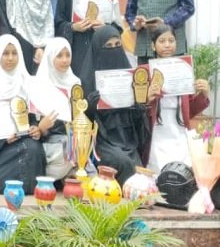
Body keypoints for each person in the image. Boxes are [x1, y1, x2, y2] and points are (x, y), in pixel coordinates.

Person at [0, 35, 46, 193]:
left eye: (14, 53)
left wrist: (35, 129)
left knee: (34, 149)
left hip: (21, 139)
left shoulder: (25, 82)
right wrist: (2, 139)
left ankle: (29, 187)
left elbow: (30, 118)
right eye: (5, 53)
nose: (10, 58)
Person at [79, 26, 148, 185]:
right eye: (108, 46)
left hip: (127, 140)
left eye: (117, 45)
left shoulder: (128, 76)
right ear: (97, 49)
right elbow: (80, 122)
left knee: (139, 170)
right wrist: (90, 107)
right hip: (102, 141)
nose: (114, 50)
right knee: (123, 163)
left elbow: (137, 125)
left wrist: (138, 108)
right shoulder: (86, 80)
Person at [144, 23, 210, 173]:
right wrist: (147, 99)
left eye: (171, 40)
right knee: (158, 173)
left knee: (182, 172)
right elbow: (137, 111)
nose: (167, 45)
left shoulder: (184, 69)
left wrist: (204, 94)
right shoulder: (145, 72)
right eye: (162, 41)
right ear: (153, 46)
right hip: (157, 133)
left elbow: (189, 110)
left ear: (176, 43)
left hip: (179, 132)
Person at [32, 37, 78, 180]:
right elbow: (33, 123)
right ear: (50, 57)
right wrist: (41, 128)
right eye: (59, 56)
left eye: (68, 55)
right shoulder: (39, 84)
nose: (65, 60)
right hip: (48, 144)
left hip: (72, 142)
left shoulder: (75, 84)